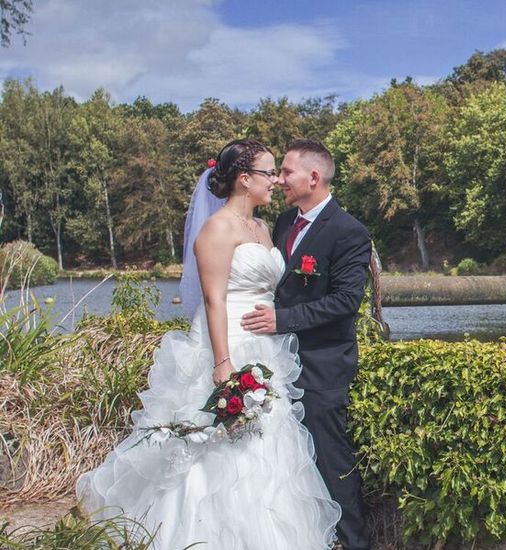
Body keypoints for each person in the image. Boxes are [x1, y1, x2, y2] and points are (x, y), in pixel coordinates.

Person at [76, 139, 341, 549]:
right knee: (220, 446)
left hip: (266, 345)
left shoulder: (264, 228)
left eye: (277, 173)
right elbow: (215, 299)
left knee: (269, 445)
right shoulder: (216, 229)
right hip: (229, 341)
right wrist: (223, 361)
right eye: (269, 173)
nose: (275, 181)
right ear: (244, 179)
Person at [241, 139, 372, 550]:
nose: (279, 179)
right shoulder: (282, 223)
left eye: (286, 172)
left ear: (313, 177)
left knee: (331, 457)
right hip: (275, 360)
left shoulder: (349, 231)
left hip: (322, 364)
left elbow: (346, 301)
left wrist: (284, 320)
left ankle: (354, 543)